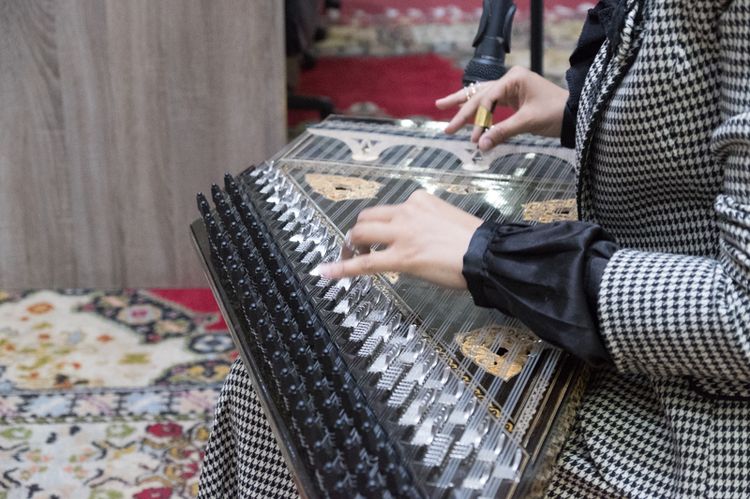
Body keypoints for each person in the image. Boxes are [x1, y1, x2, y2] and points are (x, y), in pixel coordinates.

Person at [199, 0, 750, 496]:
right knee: (278, 372)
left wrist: (491, 255)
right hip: (630, 326)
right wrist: (575, 109)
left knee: (310, 403)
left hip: (693, 427)